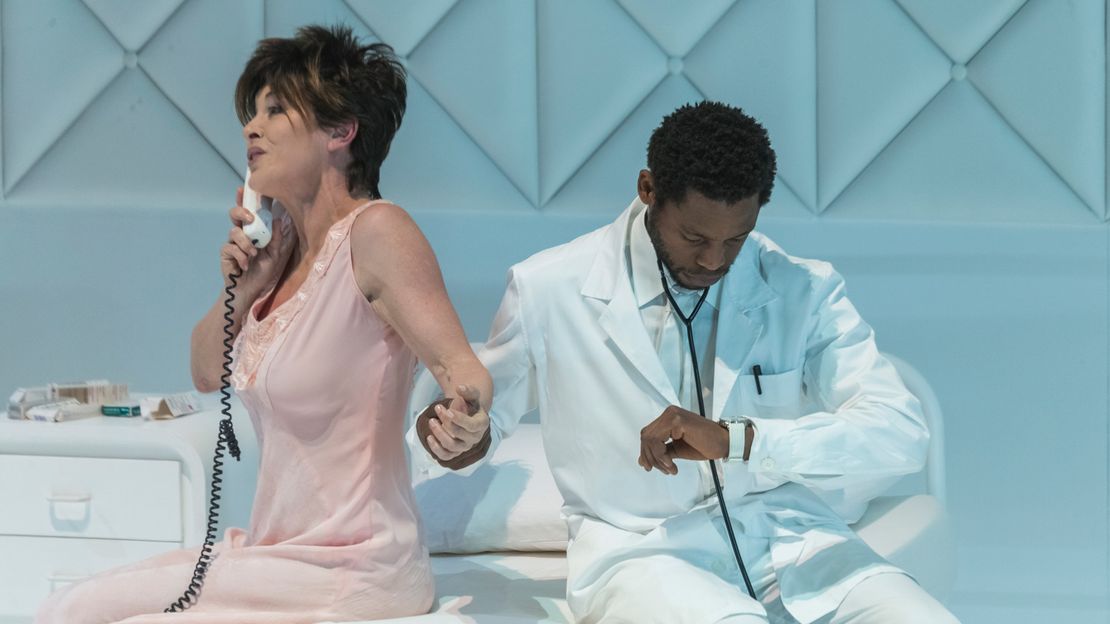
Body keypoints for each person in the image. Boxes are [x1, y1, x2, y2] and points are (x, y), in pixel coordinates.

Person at [416, 101, 960, 623]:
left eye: (736, 239)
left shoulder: (802, 288)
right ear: (648, 189)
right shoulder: (548, 288)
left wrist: (737, 440)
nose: (714, 260)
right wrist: (458, 434)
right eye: (694, 237)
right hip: (639, 549)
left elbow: (901, 432)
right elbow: (481, 423)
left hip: (786, 535)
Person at [37, 24, 491, 624]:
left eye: (275, 110)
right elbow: (205, 374)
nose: (251, 128)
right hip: (277, 557)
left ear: (341, 131)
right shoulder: (278, 259)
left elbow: (462, 371)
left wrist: (468, 421)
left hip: (354, 565)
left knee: (76, 612)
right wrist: (244, 287)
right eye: (251, 113)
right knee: (70, 604)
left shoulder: (378, 232)